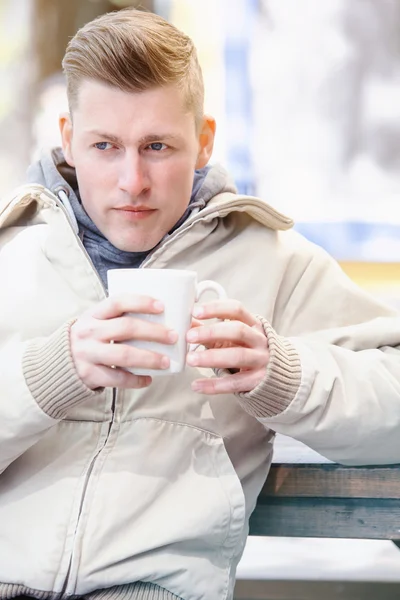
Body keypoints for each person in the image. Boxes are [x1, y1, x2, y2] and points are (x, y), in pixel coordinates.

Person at [1, 7, 399, 600]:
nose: (132, 180)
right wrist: (50, 373)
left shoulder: (271, 260)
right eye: (105, 146)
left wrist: (284, 377)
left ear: (204, 141)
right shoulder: (12, 249)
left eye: (157, 146)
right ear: (67, 140)